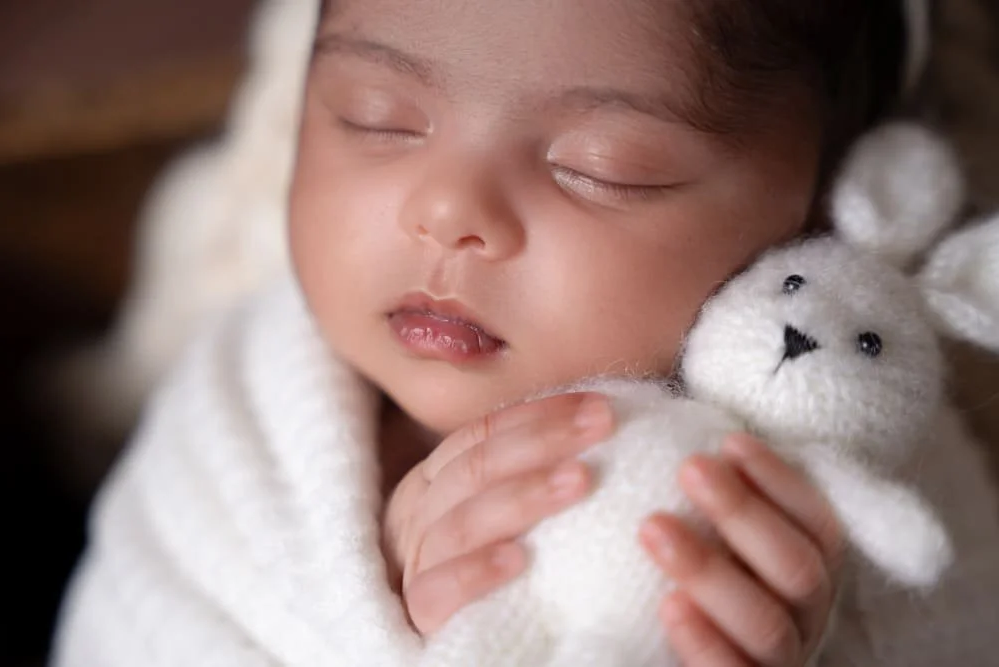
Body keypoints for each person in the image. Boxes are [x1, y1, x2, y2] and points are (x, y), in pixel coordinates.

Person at [54, 1, 999, 666]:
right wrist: (377, 606)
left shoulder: (874, 498)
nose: (447, 209)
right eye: (375, 119)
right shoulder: (236, 427)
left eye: (602, 168)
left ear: (825, 218)